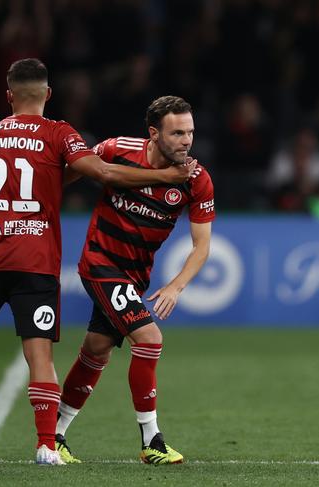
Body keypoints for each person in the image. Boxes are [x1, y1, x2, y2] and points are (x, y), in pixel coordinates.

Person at [0, 59, 196, 466]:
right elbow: (102, 170)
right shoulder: (58, 133)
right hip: (35, 261)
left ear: (9, 94)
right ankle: (47, 445)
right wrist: (166, 178)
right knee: (39, 354)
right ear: (48, 95)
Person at [53, 96, 215, 465]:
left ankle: (54, 435)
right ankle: (151, 440)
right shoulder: (116, 149)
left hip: (133, 276)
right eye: (177, 133)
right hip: (100, 262)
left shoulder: (196, 180)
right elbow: (74, 170)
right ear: (154, 133)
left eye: (190, 132)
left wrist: (175, 286)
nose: (186, 140)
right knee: (149, 337)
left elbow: (202, 246)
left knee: (96, 349)